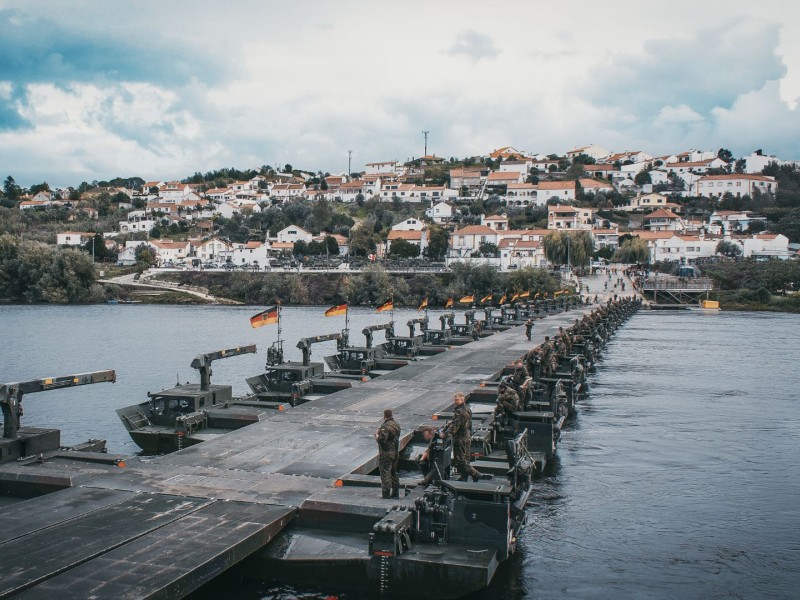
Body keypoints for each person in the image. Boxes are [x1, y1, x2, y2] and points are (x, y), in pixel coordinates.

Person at [443, 392, 481, 482]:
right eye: (455, 400)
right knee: (466, 459)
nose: (455, 402)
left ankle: (476, 474)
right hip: (466, 437)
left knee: (460, 460)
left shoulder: (460, 411)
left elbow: (456, 425)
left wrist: (446, 434)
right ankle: (464, 477)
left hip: (460, 439)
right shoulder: (467, 409)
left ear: (462, 400)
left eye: (457, 400)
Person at [375, 408, 400, 498]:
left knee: (385, 474)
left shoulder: (385, 426)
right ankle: (395, 493)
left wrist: (376, 435)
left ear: (384, 416)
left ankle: (386, 495)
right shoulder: (396, 425)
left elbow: (382, 441)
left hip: (386, 454)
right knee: (394, 473)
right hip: (395, 453)